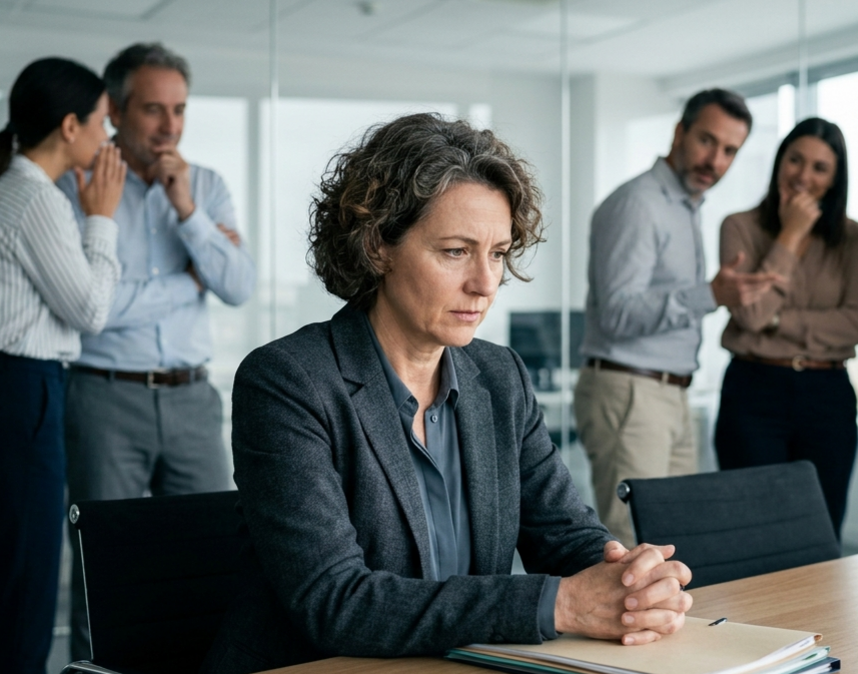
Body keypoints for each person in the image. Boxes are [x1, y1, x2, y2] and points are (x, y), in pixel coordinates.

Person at [201, 113, 693, 673]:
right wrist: (560, 603)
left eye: (498, 253)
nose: (485, 284)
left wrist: (631, 581)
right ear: (377, 245)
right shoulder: (288, 381)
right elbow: (336, 600)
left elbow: (564, 534)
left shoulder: (500, 375)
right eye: (456, 251)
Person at [55, 42, 257, 660]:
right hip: (104, 396)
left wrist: (188, 212)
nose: (170, 125)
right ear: (115, 111)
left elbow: (238, 285)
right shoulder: (75, 187)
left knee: (211, 551)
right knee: (103, 562)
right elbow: (93, 310)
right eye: (153, 109)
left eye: (180, 109)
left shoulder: (207, 187)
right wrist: (188, 281)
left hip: (192, 398)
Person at [0, 58, 124, 674]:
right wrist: (101, 219)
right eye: (102, 121)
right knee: (21, 610)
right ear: (70, 126)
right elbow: (91, 310)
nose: (107, 135)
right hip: (17, 399)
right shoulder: (36, 198)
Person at [576, 88, 780, 546]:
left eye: (729, 150)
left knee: (674, 539)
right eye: (707, 140)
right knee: (633, 543)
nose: (716, 160)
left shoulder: (685, 207)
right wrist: (710, 294)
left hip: (669, 393)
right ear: (679, 132)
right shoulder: (639, 204)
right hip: (631, 392)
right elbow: (617, 313)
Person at [713, 117, 858, 539]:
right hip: (754, 390)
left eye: (820, 168)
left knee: (821, 526)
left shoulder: (854, 238)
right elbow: (751, 315)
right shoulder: (739, 226)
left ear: (835, 179)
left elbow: (857, 323)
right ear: (779, 161)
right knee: (751, 527)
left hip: (827, 395)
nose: (804, 175)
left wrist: (778, 320)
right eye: (795, 160)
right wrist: (790, 235)